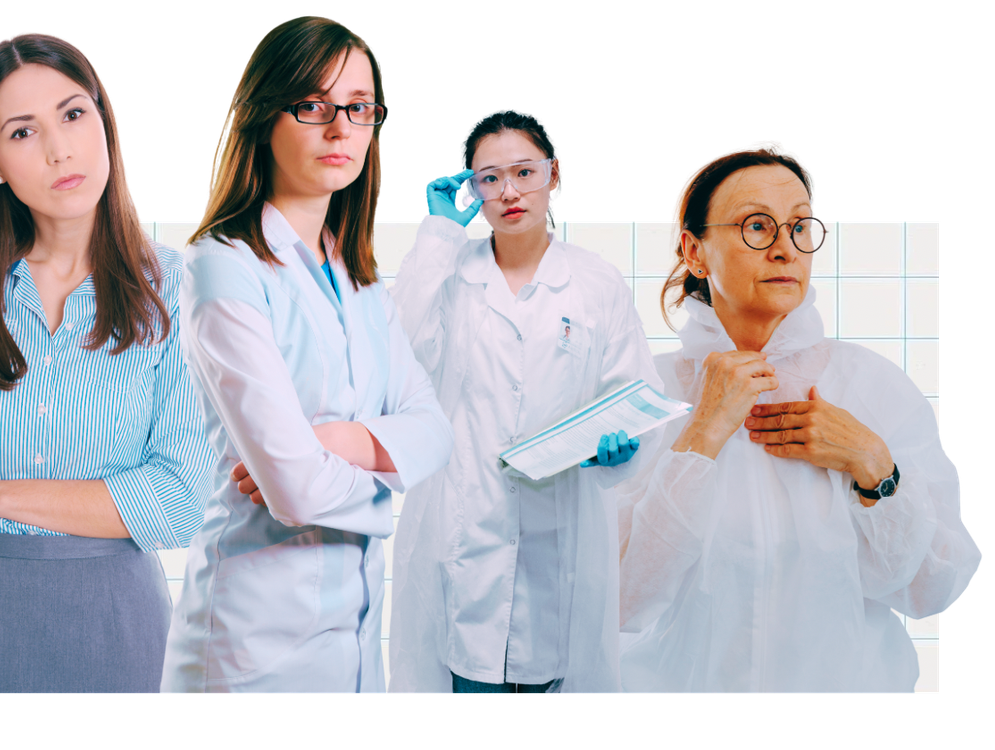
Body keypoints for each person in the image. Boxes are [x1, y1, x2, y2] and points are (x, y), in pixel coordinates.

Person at [0, 32, 216, 694]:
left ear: (104, 122)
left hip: (114, 620)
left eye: (73, 114)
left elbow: (179, 501)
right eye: (22, 132)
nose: (60, 148)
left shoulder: (175, 289)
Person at [617, 142, 979, 693]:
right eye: (757, 226)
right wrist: (701, 435)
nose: (786, 249)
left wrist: (874, 467)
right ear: (694, 250)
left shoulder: (872, 386)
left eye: (800, 227)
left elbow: (931, 591)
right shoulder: (642, 396)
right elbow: (613, 602)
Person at [161, 16, 452, 694]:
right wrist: (386, 481)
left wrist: (333, 441)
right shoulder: (222, 266)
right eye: (312, 106)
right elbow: (291, 490)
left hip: (350, 645)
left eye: (358, 108)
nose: (340, 128)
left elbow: (435, 429)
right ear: (265, 116)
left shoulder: (360, 279)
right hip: (250, 648)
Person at [387, 111, 662, 694]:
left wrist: (623, 450)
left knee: (557, 668)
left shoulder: (596, 282)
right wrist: (436, 235)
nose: (509, 191)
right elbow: (398, 356)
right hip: (463, 539)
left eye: (524, 172)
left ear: (554, 175)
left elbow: (634, 392)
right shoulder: (447, 274)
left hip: (561, 541)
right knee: (464, 671)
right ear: (471, 188)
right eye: (490, 178)